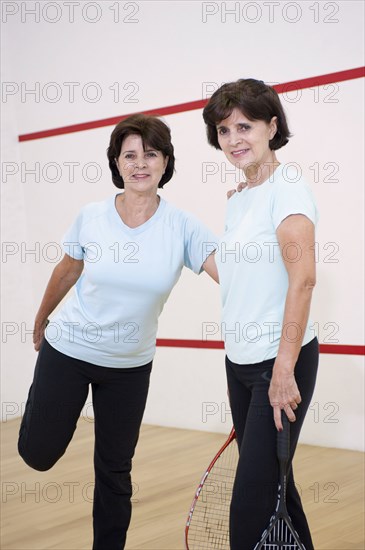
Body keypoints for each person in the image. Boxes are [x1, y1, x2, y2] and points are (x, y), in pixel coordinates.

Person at [18, 113, 218, 550]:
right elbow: (68, 269)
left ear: (165, 162)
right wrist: (40, 320)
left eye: (151, 154)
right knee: (38, 454)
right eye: (130, 155)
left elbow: (233, 277)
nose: (140, 163)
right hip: (68, 350)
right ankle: (41, 406)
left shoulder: (183, 226)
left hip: (129, 367)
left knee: (114, 468)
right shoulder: (91, 216)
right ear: (117, 162)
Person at [202, 79, 319, 550]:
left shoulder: (287, 189)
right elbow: (239, 278)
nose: (234, 140)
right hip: (239, 363)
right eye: (224, 130)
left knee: (249, 505)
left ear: (272, 126)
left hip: (278, 364)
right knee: (278, 490)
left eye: (244, 126)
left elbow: (303, 279)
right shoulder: (241, 197)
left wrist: (284, 368)